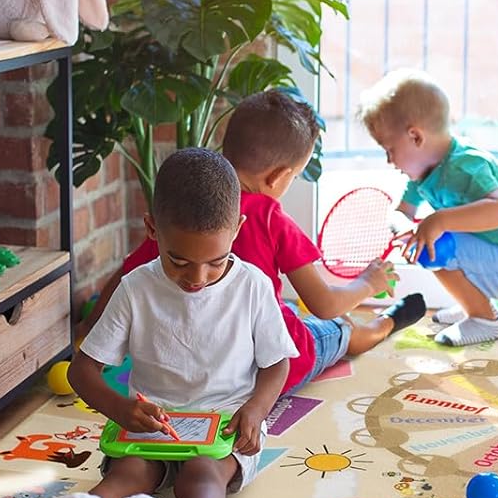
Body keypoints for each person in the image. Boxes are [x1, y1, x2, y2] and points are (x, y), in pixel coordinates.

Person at [52, 148, 295, 498]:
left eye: (215, 261)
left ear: (238, 230)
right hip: (152, 422)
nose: (197, 278)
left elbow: (276, 365)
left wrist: (256, 410)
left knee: (202, 479)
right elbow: (81, 371)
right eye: (178, 261)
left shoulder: (253, 287)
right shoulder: (135, 288)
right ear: (152, 230)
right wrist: (121, 408)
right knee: (128, 476)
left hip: (223, 425)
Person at [84, 90, 425, 391]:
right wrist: (368, 283)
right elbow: (325, 303)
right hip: (267, 372)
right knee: (339, 328)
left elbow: (126, 275)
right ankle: (385, 324)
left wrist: (86, 332)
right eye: (294, 177)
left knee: (290, 311)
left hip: (201, 375)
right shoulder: (269, 217)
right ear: (278, 176)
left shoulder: (185, 215)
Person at [357, 68, 498, 346]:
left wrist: (438, 221)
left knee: (436, 246)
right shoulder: (424, 172)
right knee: (431, 241)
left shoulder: (467, 165)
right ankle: (475, 304)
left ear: (415, 137)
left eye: (390, 150)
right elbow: (401, 211)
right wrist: (405, 228)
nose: (389, 161)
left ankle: (483, 319)